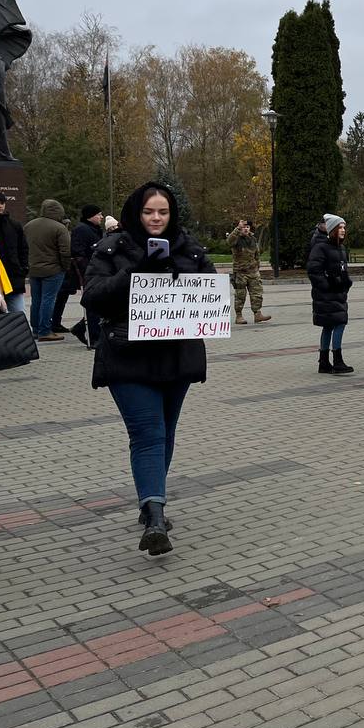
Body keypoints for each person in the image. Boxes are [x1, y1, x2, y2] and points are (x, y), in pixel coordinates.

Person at [80, 182, 215, 556]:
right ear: (135, 213)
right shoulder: (111, 248)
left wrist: (182, 280)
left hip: (176, 359)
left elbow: (210, 294)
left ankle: (149, 500)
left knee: (166, 433)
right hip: (128, 360)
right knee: (149, 434)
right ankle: (155, 516)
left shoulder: (191, 249)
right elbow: (92, 296)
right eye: (148, 212)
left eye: (163, 212)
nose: (156, 218)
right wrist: (136, 273)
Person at [307, 214, 354, 374]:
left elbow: (342, 269)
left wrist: (346, 283)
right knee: (339, 323)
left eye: (344, 227)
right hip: (327, 294)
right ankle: (337, 360)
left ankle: (324, 362)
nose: (343, 230)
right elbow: (314, 271)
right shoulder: (321, 247)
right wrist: (327, 286)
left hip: (338, 293)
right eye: (340, 227)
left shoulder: (340, 248)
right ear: (333, 229)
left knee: (328, 326)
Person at [51, 204, 104, 338]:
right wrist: (86, 267)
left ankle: (81, 327)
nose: (101, 217)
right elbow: (77, 251)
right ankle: (90, 332)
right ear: (91, 216)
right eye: (99, 214)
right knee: (92, 302)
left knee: (96, 301)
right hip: (85, 271)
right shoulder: (82, 229)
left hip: (94, 269)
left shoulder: (95, 229)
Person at [23, 198, 71, 342]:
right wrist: (65, 267)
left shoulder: (29, 226)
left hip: (33, 269)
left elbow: (24, 247)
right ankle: (45, 330)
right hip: (53, 269)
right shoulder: (59, 227)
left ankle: (36, 329)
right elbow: (65, 251)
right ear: (59, 211)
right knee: (48, 299)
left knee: (36, 300)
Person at [0, 190, 29, 315]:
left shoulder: (14, 225)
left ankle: (20, 335)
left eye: (2, 202)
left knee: (19, 315)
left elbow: (23, 249)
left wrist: (23, 269)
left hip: (13, 278)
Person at [227, 218, 271, 325]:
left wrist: (257, 266)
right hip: (240, 272)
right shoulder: (236, 239)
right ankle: (239, 316)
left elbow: (257, 254)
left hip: (253, 272)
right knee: (240, 295)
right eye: (243, 227)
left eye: (247, 227)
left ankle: (257, 314)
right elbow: (229, 241)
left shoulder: (252, 239)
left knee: (257, 293)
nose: (246, 229)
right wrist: (238, 228)